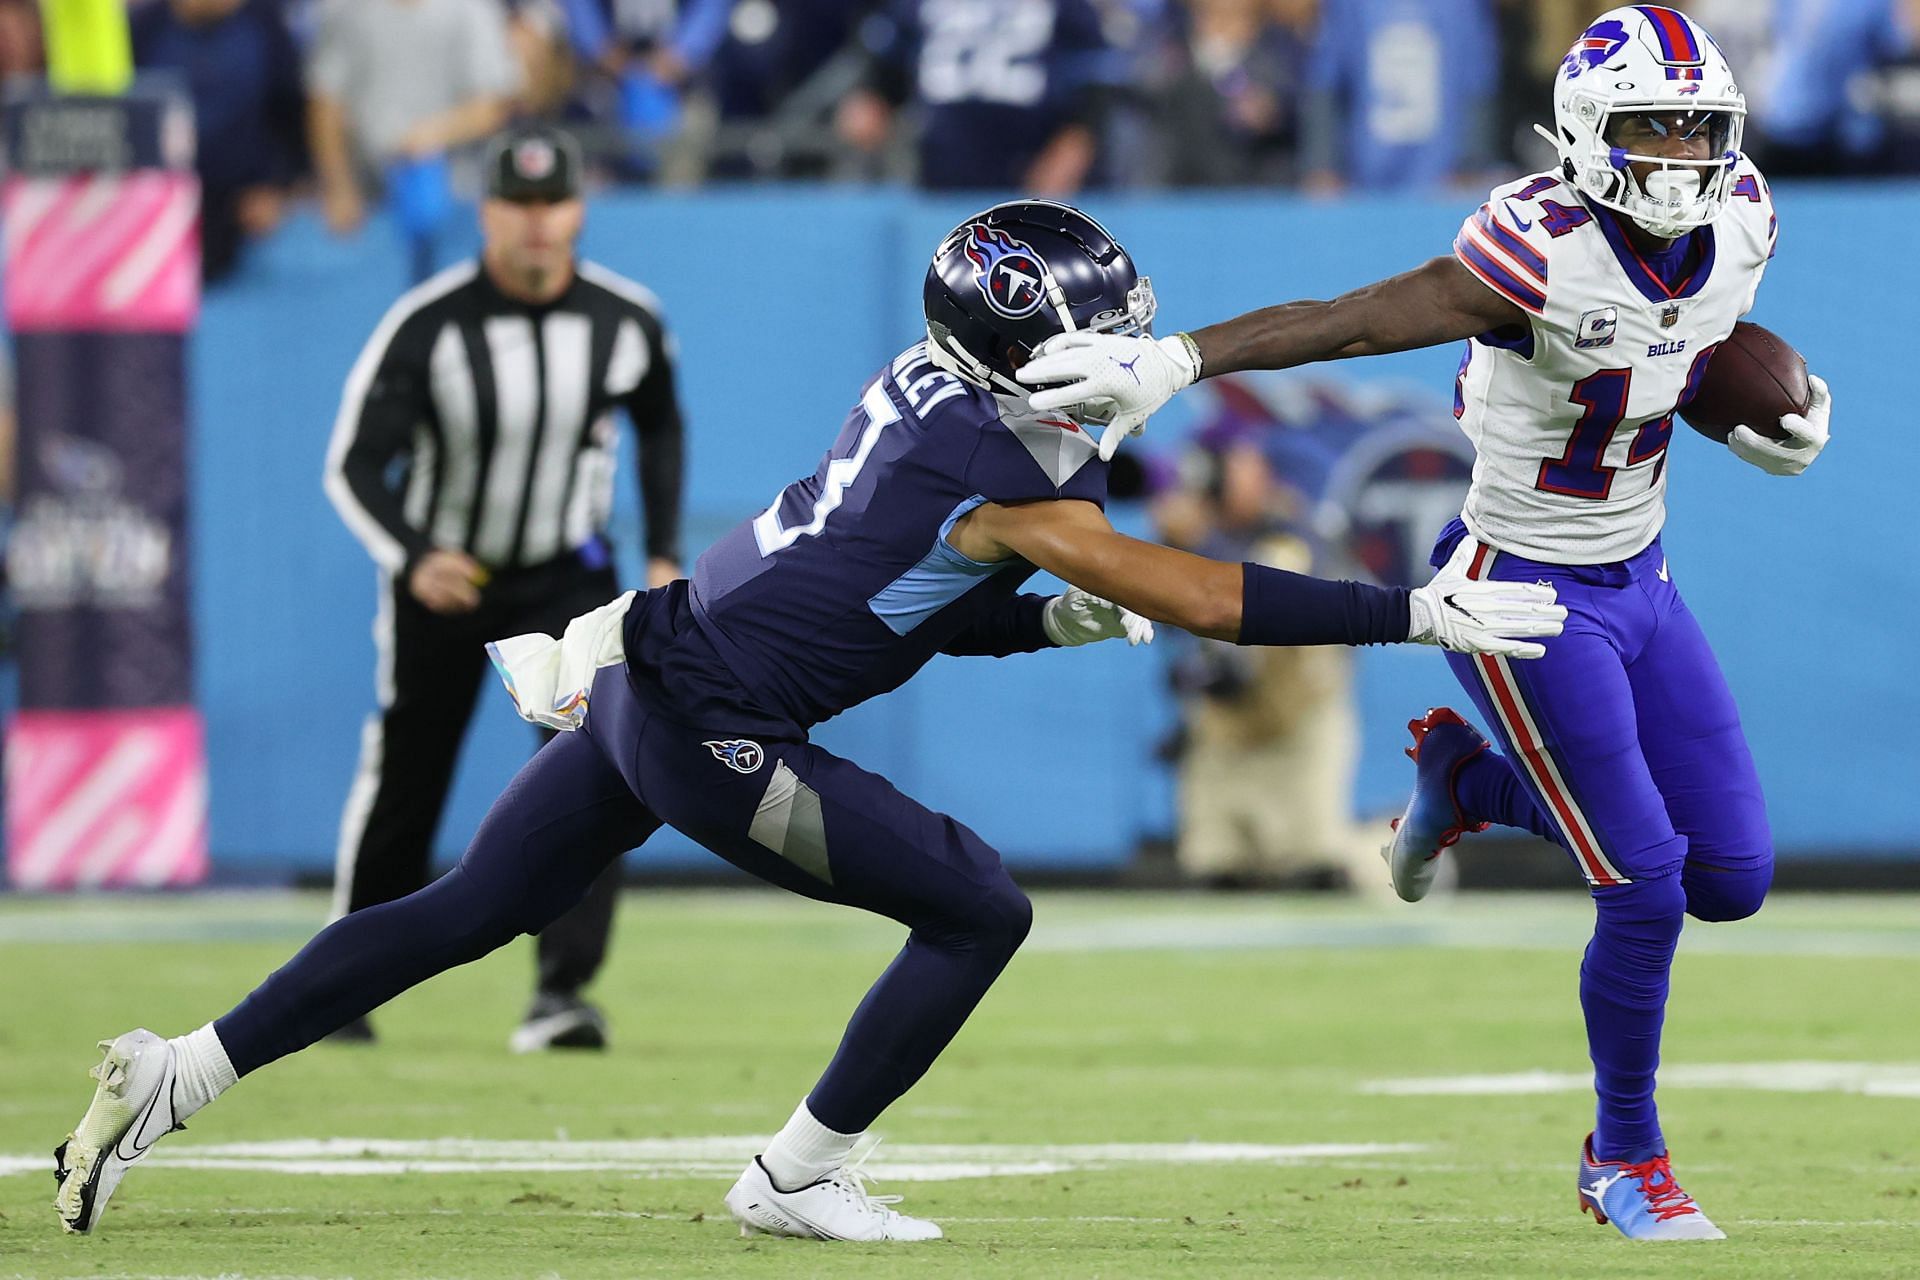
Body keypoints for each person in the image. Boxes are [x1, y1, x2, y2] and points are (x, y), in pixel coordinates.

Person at [51, 200, 1562, 1242]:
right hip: (715, 718)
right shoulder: (998, 452)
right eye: (1080, 344)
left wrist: (1043, 617)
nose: (1111, 366)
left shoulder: (950, 402)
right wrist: (1406, 612)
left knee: (472, 905)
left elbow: (898, 596)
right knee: (979, 907)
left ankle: (174, 1072)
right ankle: (797, 1173)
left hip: (665, 664)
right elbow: (1194, 592)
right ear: (1007, 356)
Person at [1015, 6, 1831, 1242]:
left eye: (1696, 127)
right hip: (1520, 589)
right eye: (1650, 128)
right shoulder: (1540, 245)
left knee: (1733, 878)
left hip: (1641, 577)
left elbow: (1680, 361)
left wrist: (1770, 413)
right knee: (1650, 888)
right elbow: (1355, 318)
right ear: (1584, 135)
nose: (1677, 154)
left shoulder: (1746, 217)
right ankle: (1624, 1154)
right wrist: (1180, 359)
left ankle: (1466, 785)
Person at [322, 122, 686, 1053]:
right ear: (486, 214)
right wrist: (413, 554)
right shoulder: (430, 323)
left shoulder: (624, 318)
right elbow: (355, 466)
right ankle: (341, 984)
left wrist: (662, 551)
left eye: (551, 203)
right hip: (449, 576)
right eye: (516, 205)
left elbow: (661, 425)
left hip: (567, 574)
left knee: (602, 767)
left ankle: (561, 993)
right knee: (409, 774)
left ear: (578, 210)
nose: (535, 223)